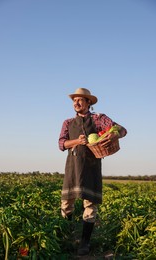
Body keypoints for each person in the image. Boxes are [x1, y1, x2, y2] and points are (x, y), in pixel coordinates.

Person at [58, 88, 127, 256]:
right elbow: (61, 144)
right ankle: (66, 238)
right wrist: (77, 141)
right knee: (67, 204)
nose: (76, 103)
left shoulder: (98, 119)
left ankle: (84, 243)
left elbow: (122, 130)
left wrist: (114, 135)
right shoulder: (68, 122)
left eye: (80, 100)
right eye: (74, 100)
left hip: (91, 166)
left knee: (89, 205)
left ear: (88, 102)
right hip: (73, 165)